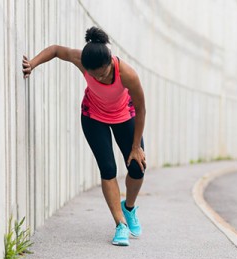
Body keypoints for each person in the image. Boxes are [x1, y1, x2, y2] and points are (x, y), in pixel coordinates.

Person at [22, 26, 146, 246]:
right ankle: (120, 225)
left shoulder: (127, 74)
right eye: (95, 74)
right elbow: (56, 50)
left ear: (110, 63)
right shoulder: (82, 59)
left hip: (124, 116)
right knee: (108, 169)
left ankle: (129, 208)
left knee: (137, 168)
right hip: (93, 117)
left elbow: (141, 108)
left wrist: (136, 146)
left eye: (104, 73)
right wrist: (33, 63)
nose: (100, 77)